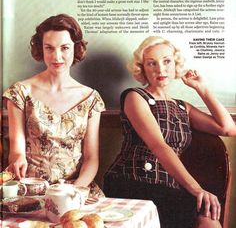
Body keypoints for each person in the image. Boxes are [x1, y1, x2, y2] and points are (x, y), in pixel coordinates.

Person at [103, 36, 236, 228]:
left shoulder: (184, 108)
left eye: (167, 61)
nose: (160, 69)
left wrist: (202, 88)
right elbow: (159, 145)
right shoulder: (134, 97)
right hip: (132, 180)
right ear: (143, 69)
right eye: (152, 63)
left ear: (176, 65)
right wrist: (196, 189)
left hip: (168, 186)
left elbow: (228, 128)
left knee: (209, 217)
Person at [3, 14, 105, 196]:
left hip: (77, 190)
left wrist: (75, 190)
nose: (57, 56)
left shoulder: (91, 98)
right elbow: (16, 150)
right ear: (41, 50)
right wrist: (17, 159)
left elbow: (91, 159)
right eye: (49, 48)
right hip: (31, 188)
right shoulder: (20, 92)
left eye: (64, 48)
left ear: (76, 48)